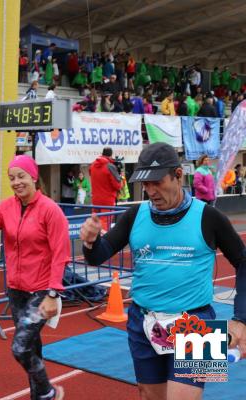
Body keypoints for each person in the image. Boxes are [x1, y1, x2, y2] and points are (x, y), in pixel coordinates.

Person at [80, 142, 246, 400]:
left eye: (157, 182)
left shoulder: (209, 217)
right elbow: (98, 255)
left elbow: (243, 261)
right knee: (148, 395)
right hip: (143, 320)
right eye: (145, 185)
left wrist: (241, 318)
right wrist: (90, 242)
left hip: (196, 321)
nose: (150, 191)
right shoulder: (135, 214)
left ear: (178, 175)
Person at [0, 155, 68, 400]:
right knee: (32, 347)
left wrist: (52, 294)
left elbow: (61, 254)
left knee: (20, 347)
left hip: (40, 291)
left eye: (21, 176)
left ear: (34, 177)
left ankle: (48, 392)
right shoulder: (6, 207)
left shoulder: (50, 210)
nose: (16, 182)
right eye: (12, 178)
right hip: (16, 289)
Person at [89, 147, 122, 229]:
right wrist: (119, 175)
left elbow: (91, 174)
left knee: (94, 221)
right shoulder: (110, 167)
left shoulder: (93, 165)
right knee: (105, 222)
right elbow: (117, 185)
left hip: (95, 199)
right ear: (111, 155)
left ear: (102, 153)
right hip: (108, 200)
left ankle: (93, 240)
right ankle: (102, 240)